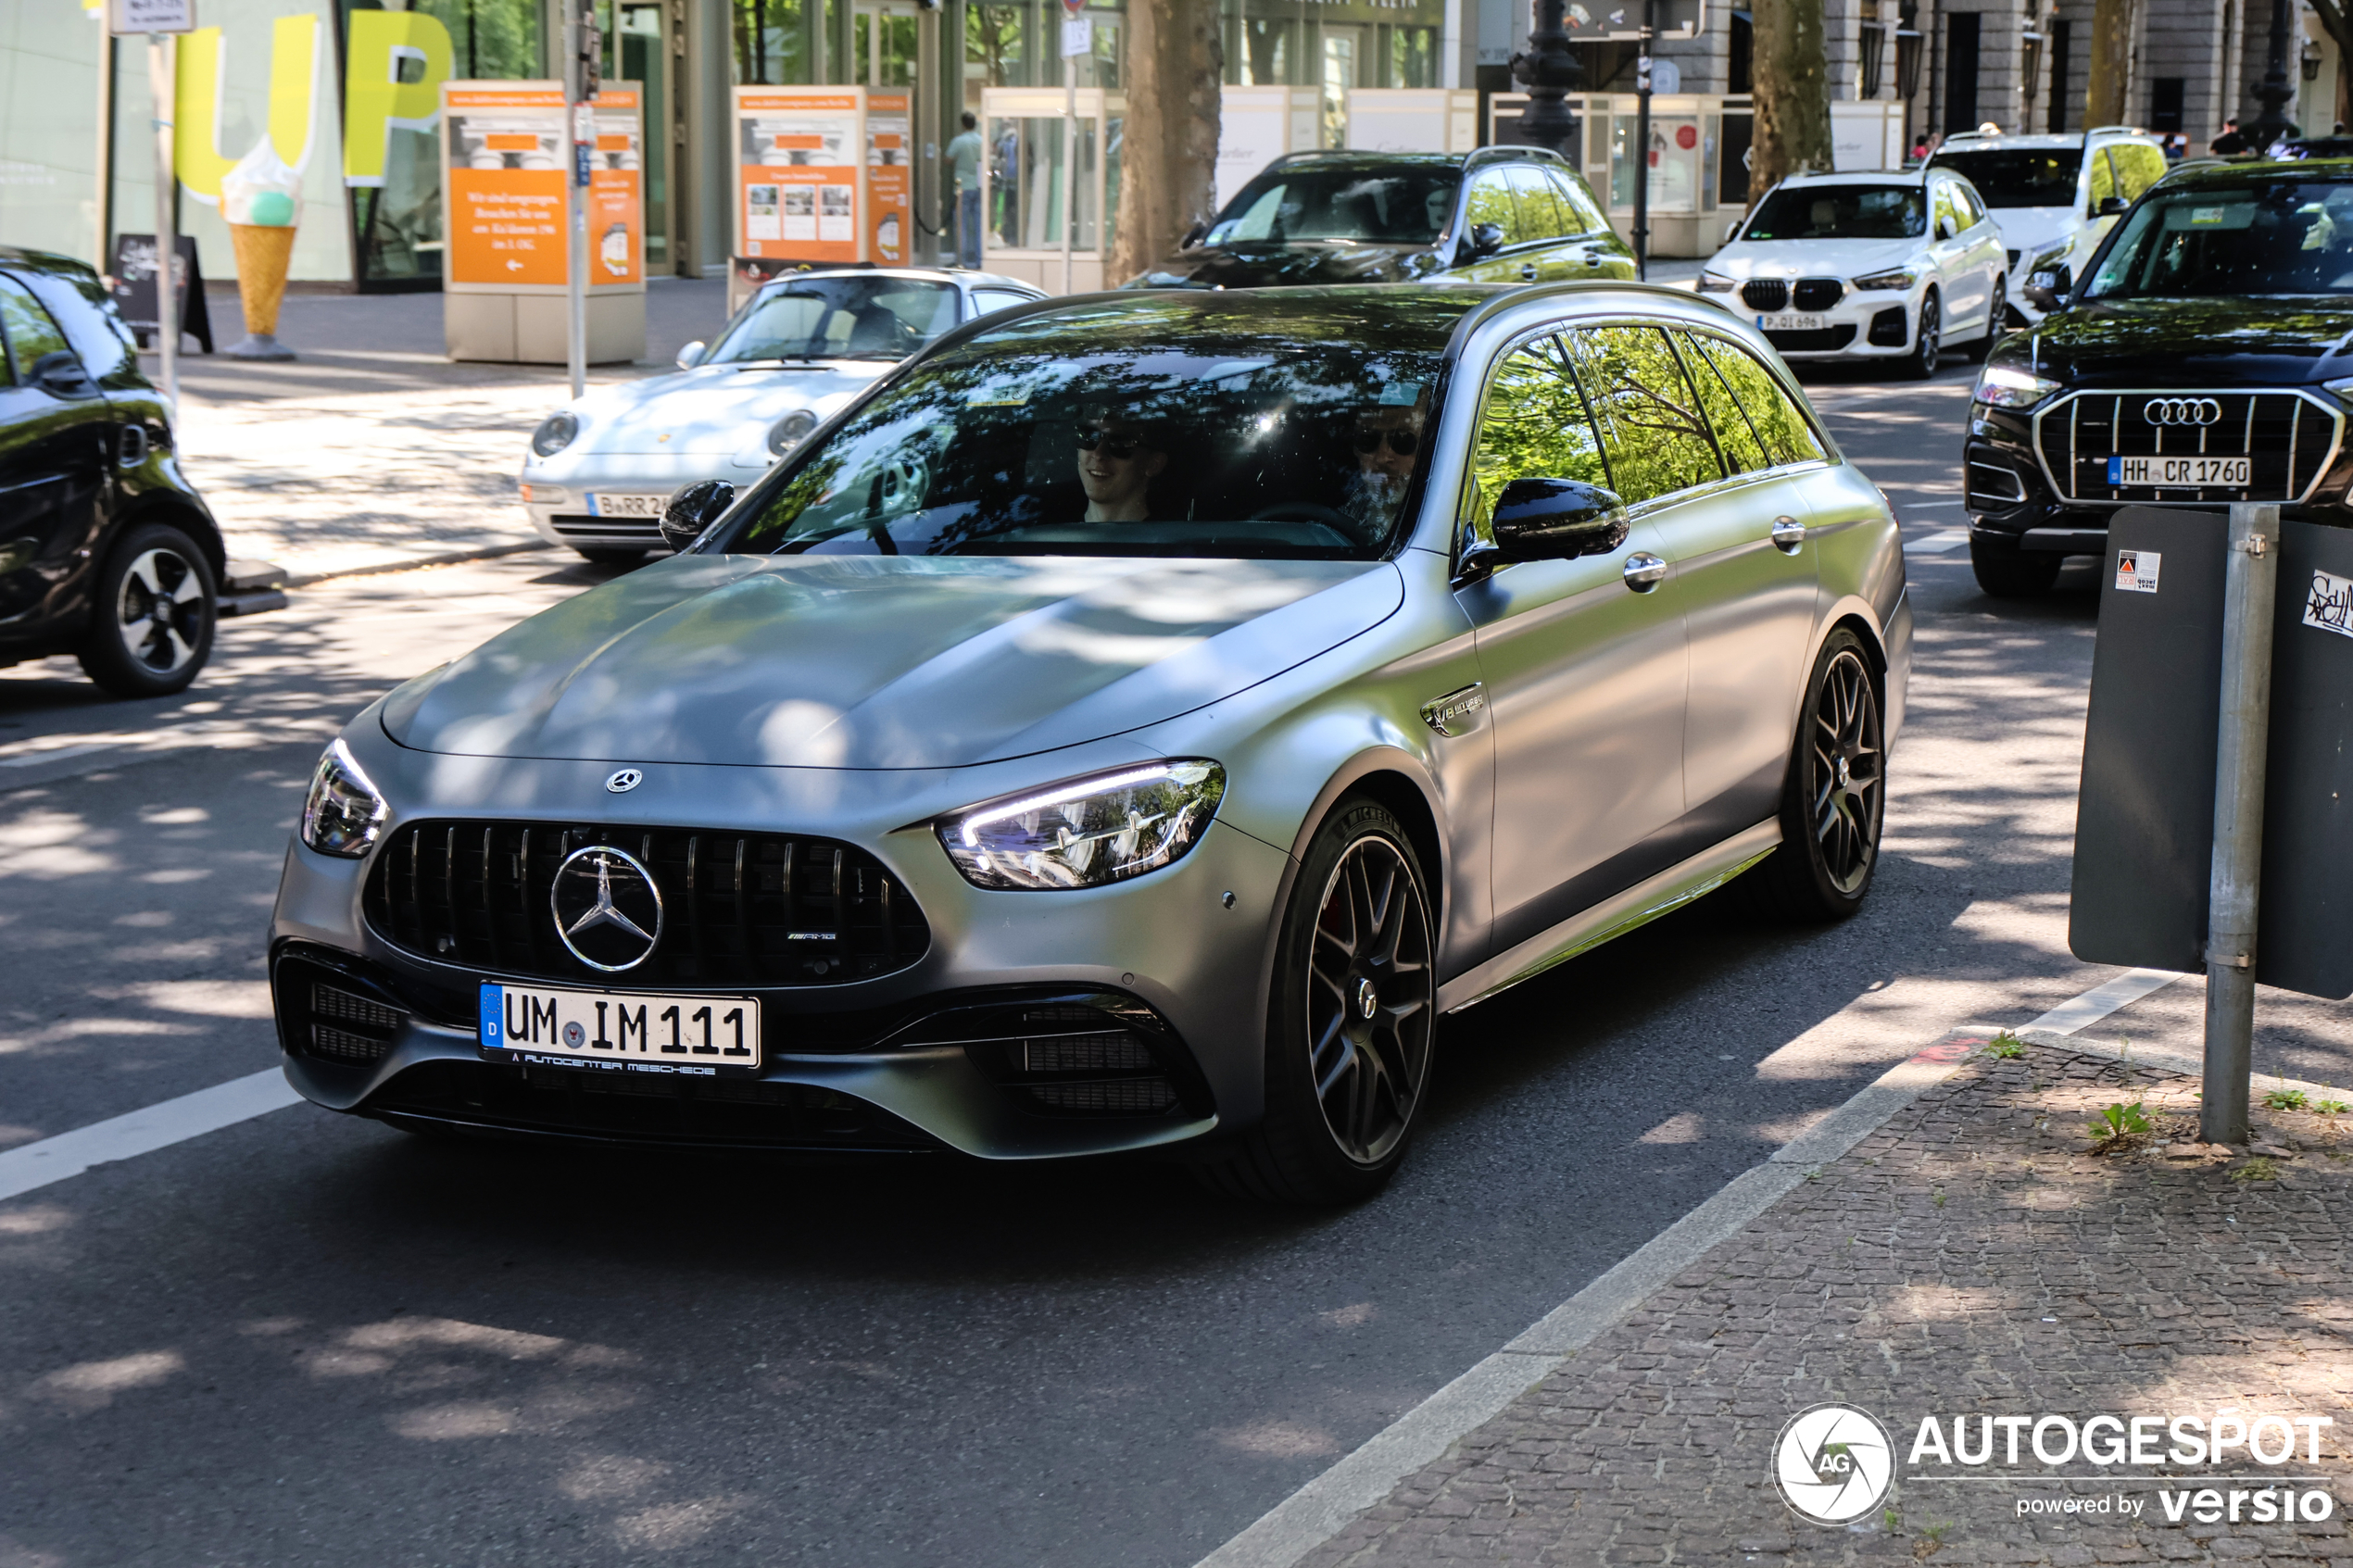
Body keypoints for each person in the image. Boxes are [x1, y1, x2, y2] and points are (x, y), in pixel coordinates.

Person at [1341, 395, 1425, 535]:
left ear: (1428, 447)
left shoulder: (1446, 522)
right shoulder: (1344, 515)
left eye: (1403, 440)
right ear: (1356, 450)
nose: (1382, 458)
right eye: (1367, 439)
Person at [1075, 412, 1167, 522]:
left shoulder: (1171, 537)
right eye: (1089, 436)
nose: (1098, 454)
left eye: (1120, 443)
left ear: (1153, 464)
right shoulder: (1053, 528)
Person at [947, 111, 985, 269]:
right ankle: (979, 260)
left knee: (961, 225)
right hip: (979, 185)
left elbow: (948, 159)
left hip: (963, 188)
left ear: (963, 124)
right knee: (979, 225)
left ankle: (960, 260)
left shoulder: (959, 141)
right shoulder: (982, 141)